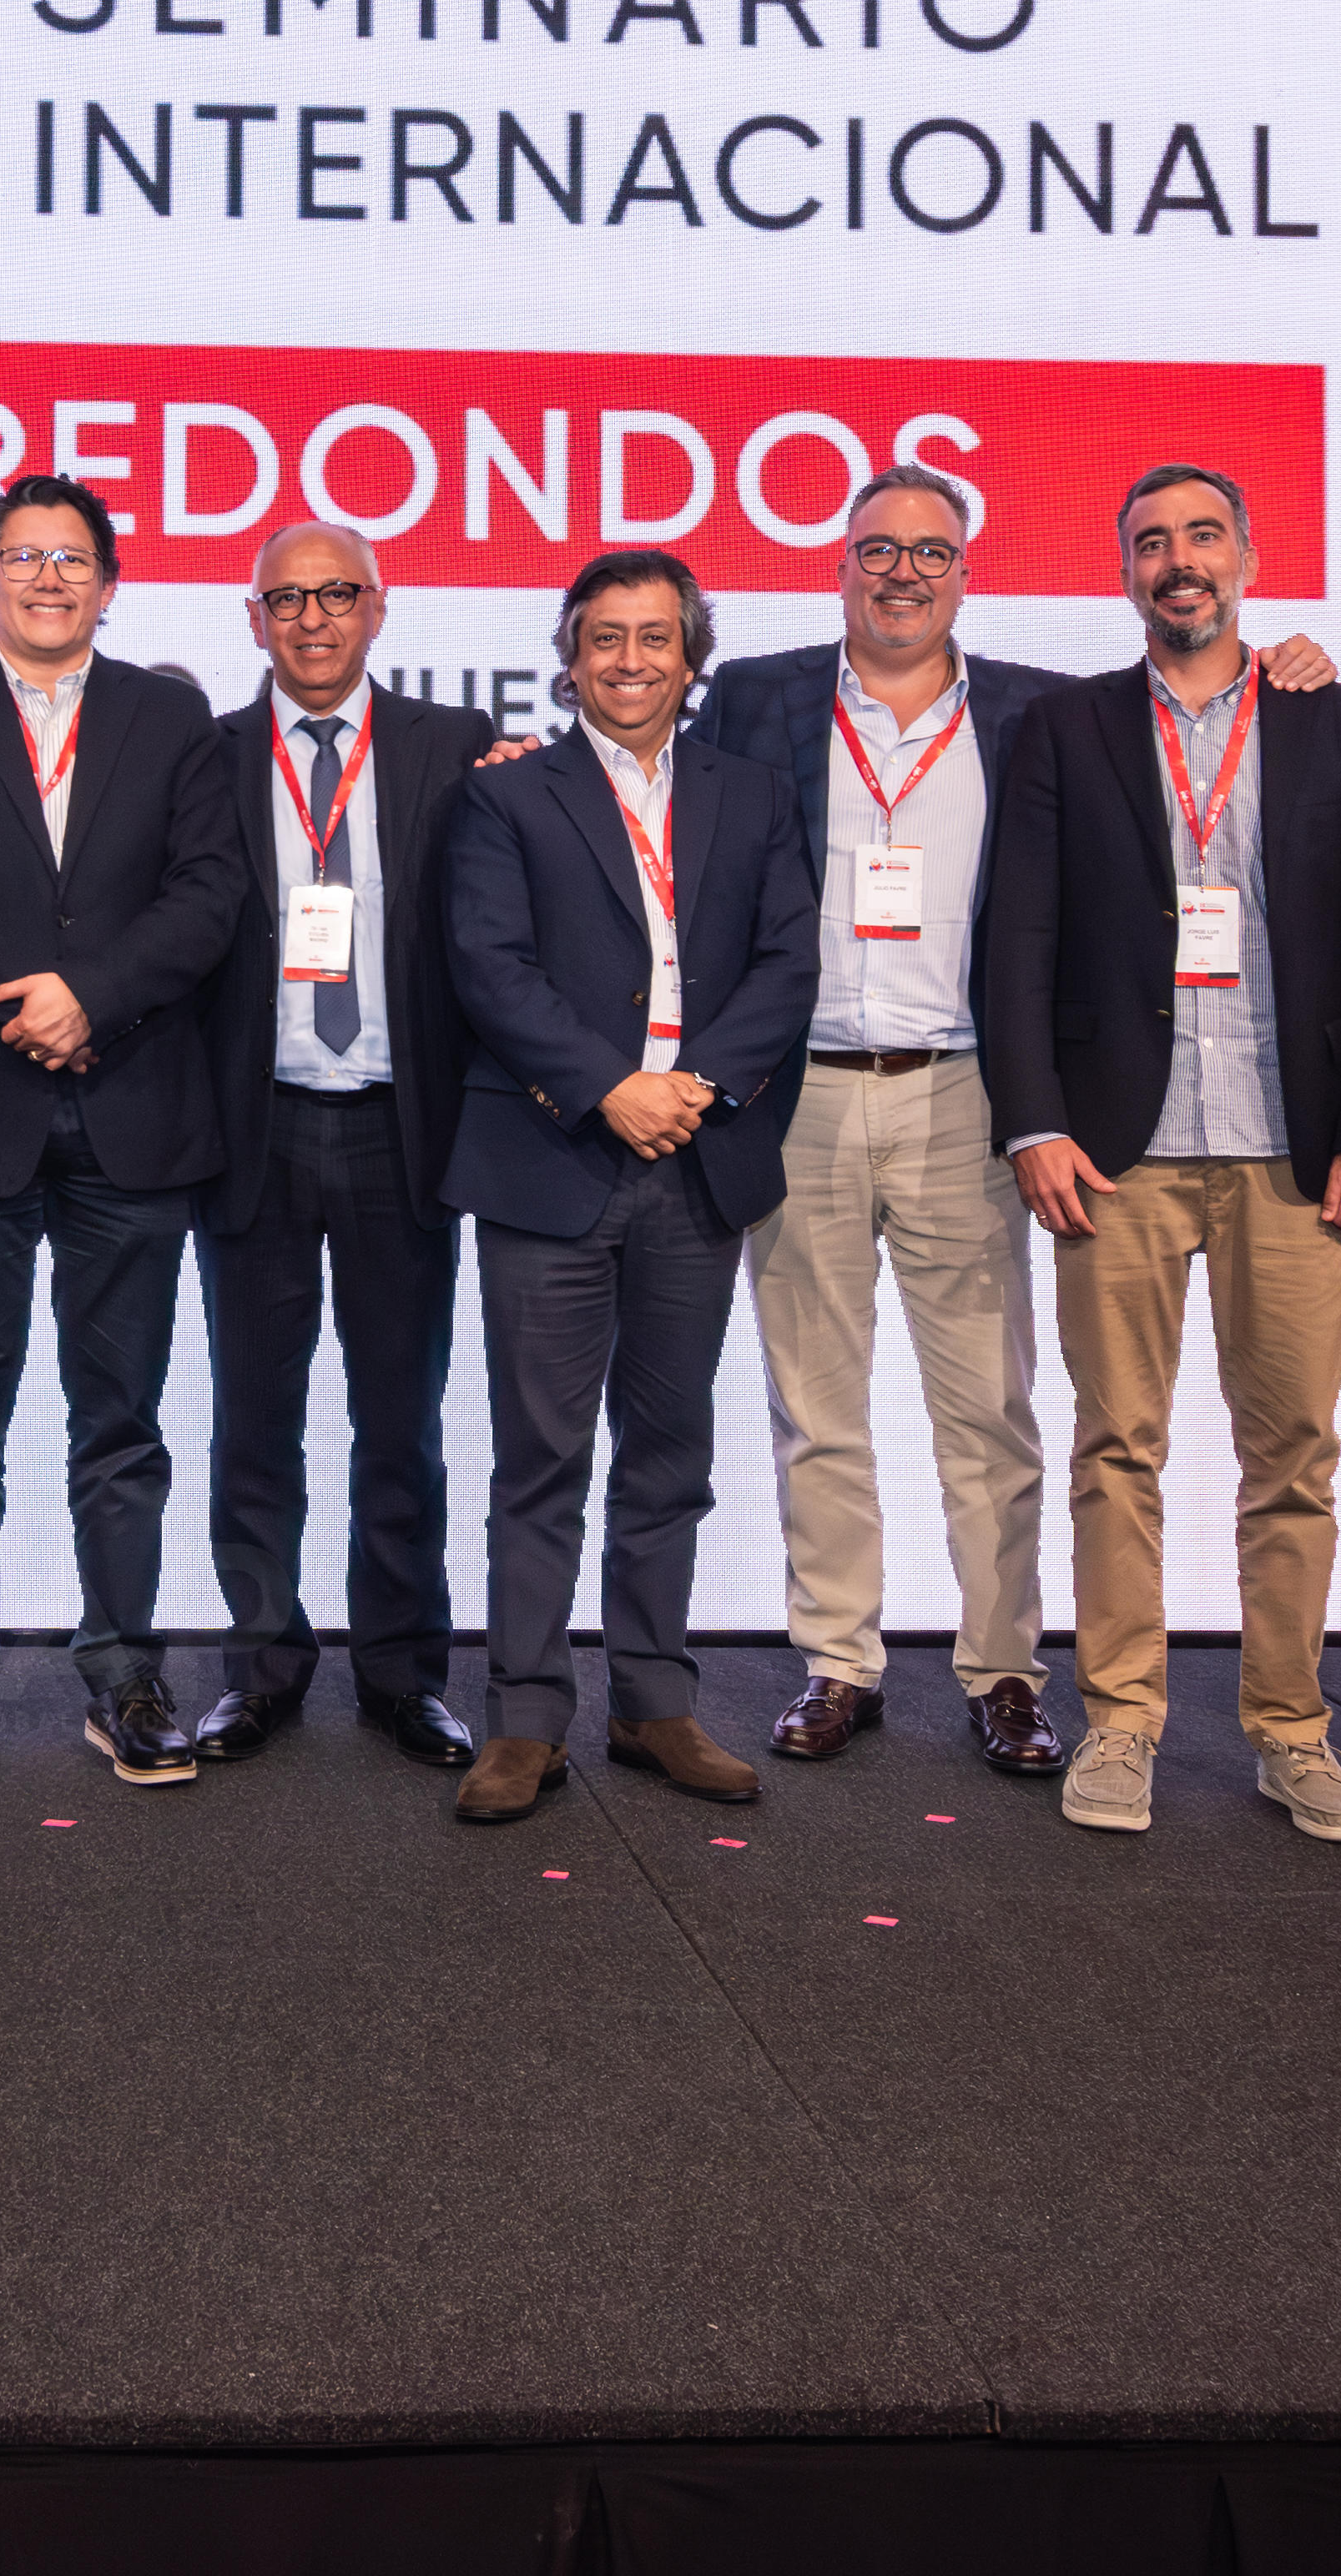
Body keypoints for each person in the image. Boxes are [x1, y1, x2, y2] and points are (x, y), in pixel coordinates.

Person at [980, 463, 1341, 1847]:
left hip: (1298, 1147)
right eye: (1152, 542)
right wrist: (1034, 1120)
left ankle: (1292, 1731)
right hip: (1119, 1150)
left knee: (1295, 1455)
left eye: (1204, 535)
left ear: (1248, 557)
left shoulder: (1334, 718)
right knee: (1117, 1447)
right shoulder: (1066, 725)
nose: (1180, 560)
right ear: (1124, 571)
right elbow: (1018, 934)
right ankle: (1121, 1721)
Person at [0, 472, 250, 1794]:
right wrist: (27, 1002)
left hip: (136, 1108)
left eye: (72, 558)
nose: (47, 577)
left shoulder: (168, 715)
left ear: (110, 584)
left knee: (121, 1421)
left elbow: (210, 892)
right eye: (21, 557)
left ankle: (126, 1676)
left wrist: (97, 998)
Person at [440, 549, 816, 1825]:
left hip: (695, 1160)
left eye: (656, 636)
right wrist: (609, 1087)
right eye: (606, 637)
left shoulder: (752, 795)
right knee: (539, 1460)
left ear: (692, 656)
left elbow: (787, 962)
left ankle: (655, 1702)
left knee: (669, 1453)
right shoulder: (508, 794)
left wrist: (693, 1086)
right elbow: (489, 966)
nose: (631, 660)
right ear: (570, 655)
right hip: (552, 1159)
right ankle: (526, 1720)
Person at [187, 521, 493, 1768]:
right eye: (288, 599)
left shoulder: (456, 747)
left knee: (400, 1423)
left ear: (378, 607)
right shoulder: (205, 757)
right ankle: (261, 1668)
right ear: (253, 618)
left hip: (397, 1128)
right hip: (252, 1128)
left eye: (337, 594)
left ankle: (403, 1674)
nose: (312, 619)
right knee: (253, 1421)